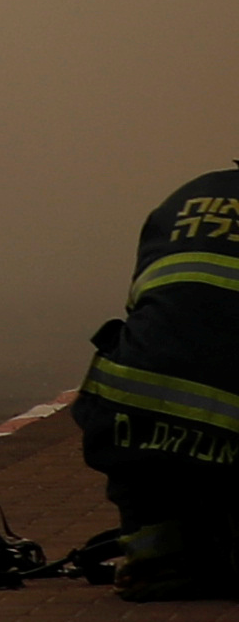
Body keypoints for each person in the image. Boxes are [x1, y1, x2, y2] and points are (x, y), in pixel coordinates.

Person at [81, 162, 239, 599]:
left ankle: (159, 560)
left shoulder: (189, 195)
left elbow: (153, 310)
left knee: (147, 458)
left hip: (128, 408)